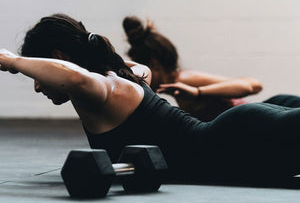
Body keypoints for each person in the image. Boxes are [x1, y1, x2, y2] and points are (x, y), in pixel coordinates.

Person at [1, 13, 300, 182]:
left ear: (57, 58)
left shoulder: (102, 89)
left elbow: (75, 77)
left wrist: (12, 61)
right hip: (241, 147)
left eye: (38, 74)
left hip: (240, 144)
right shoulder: (130, 74)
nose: (38, 86)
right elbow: (82, 70)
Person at [123, 16, 300, 121]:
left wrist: (198, 92)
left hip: (275, 111)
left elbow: (252, 85)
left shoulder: (184, 80)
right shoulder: (177, 89)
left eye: (139, 68)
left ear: (153, 64)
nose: (137, 75)